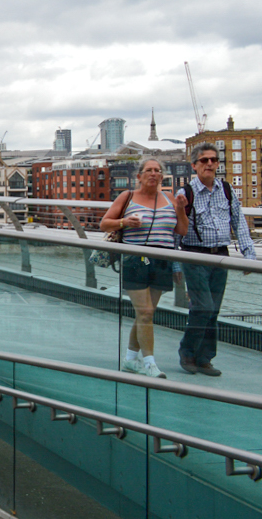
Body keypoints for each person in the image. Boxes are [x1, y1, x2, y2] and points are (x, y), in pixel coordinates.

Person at [99, 159, 188, 379]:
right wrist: (125, 222)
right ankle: (150, 363)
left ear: (162, 177)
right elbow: (104, 223)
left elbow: (182, 231)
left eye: (158, 171)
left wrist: (180, 209)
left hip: (162, 260)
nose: (154, 174)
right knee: (146, 313)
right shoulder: (127, 197)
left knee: (144, 314)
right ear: (139, 176)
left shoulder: (169, 198)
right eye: (149, 170)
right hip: (135, 259)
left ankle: (130, 360)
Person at [176, 143, 256, 376]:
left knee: (214, 309)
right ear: (194, 165)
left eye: (213, 160)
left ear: (218, 164)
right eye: (204, 160)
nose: (209, 164)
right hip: (194, 255)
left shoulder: (227, 190)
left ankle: (204, 358)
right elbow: (176, 230)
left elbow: (239, 223)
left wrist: (248, 254)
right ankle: (187, 352)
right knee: (203, 306)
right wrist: (174, 262)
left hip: (221, 255)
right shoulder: (186, 194)